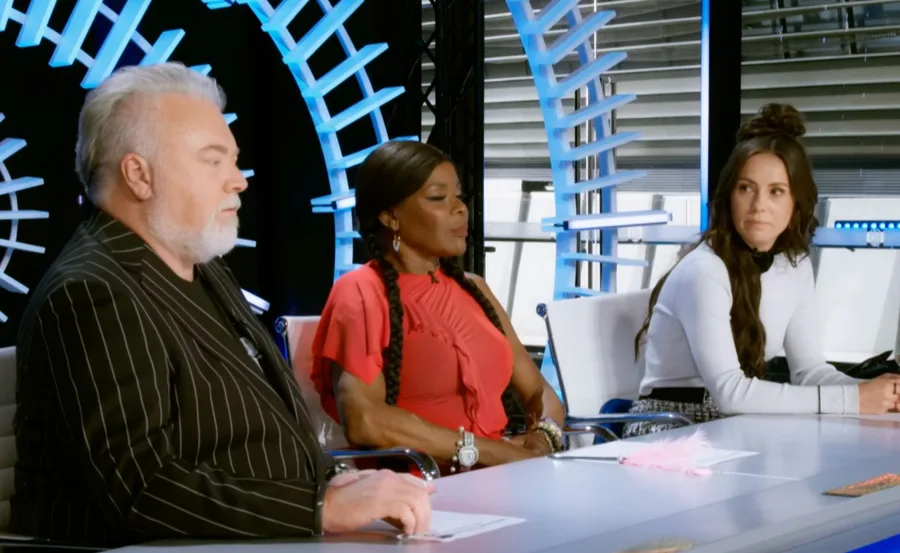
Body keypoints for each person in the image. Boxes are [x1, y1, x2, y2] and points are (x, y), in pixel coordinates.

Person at [12, 62, 432, 547]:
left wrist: (334, 485)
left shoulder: (201, 266)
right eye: (214, 161)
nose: (239, 181)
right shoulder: (92, 292)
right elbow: (142, 488)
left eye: (233, 161)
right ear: (139, 175)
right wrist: (321, 507)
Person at [625, 103, 900, 437]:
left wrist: (879, 394)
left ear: (796, 203)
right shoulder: (704, 271)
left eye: (776, 192)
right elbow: (729, 392)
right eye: (746, 188)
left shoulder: (793, 266)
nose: (759, 206)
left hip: (738, 423)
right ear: (729, 196)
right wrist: (853, 400)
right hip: (670, 427)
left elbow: (810, 372)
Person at [310, 141, 565, 474]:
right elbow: (365, 419)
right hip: (420, 491)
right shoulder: (360, 292)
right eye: (437, 198)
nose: (459, 209)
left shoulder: (474, 288)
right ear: (391, 216)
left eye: (458, 196)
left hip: (503, 476)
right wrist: (487, 451)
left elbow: (537, 390)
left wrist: (541, 440)